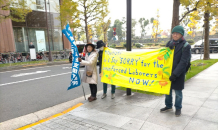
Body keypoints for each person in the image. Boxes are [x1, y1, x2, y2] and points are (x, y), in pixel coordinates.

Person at [160, 25, 191, 117]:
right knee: (167, 91)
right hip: (168, 72)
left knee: (178, 92)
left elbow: (183, 62)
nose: (175, 35)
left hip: (179, 73)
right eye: (173, 33)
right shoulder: (169, 43)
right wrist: (168, 48)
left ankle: (178, 108)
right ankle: (168, 106)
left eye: (177, 33)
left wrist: (175, 74)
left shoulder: (186, 46)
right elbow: (164, 57)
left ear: (181, 34)